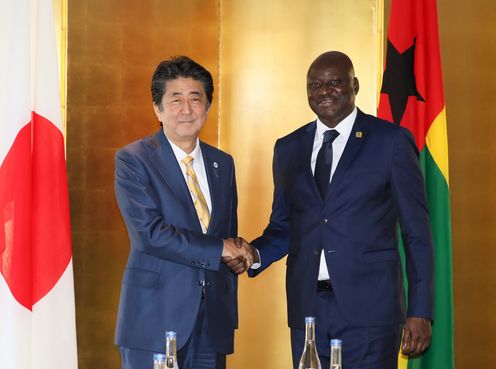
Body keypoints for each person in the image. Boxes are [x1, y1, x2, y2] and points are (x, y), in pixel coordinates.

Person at [240, 51, 434, 369]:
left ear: (354, 85)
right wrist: (253, 254)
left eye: (334, 82)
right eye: (314, 84)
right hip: (308, 310)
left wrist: (420, 310)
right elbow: (285, 226)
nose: (324, 91)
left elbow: (418, 235)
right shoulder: (288, 148)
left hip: (371, 311)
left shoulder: (391, 141)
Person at [114, 56, 253, 369]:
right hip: (154, 320)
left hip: (212, 322)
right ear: (158, 109)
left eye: (195, 99)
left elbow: (225, 232)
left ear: (207, 106)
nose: (186, 110)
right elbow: (150, 235)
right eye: (175, 100)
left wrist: (236, 254)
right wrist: (221, 249)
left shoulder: (223, 163)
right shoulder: (134, 160)